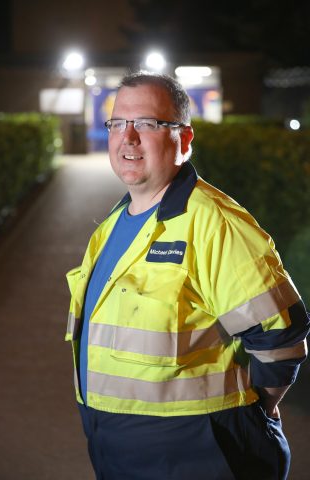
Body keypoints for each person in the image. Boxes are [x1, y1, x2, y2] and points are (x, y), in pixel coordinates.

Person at [65, 71, 309, 480]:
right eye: (118, 123)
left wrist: (254, 414)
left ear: (184, 138)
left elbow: (281, 337)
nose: (128, 138)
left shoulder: (216, 224)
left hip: (197, 457)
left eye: (146, 123)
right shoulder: (110, 227)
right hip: (115, 451)